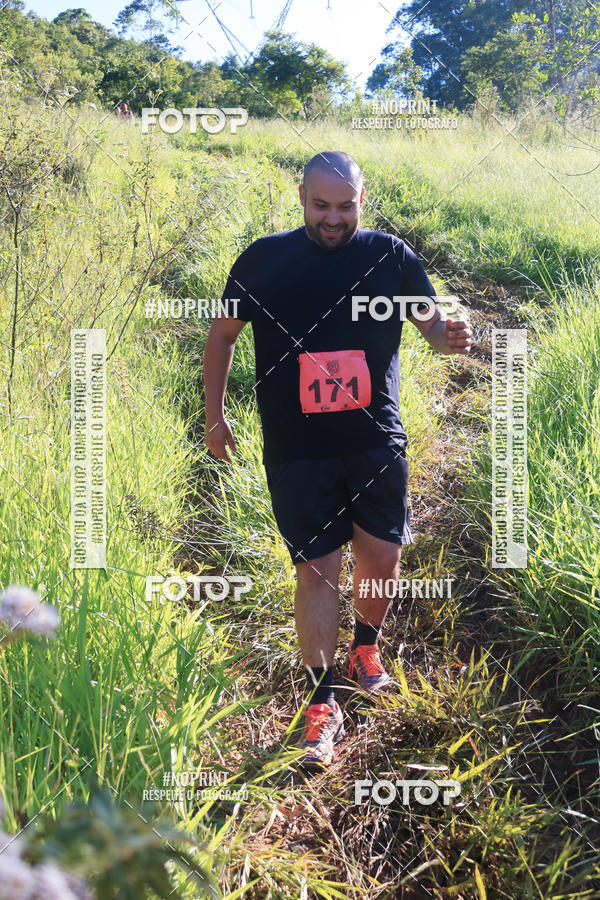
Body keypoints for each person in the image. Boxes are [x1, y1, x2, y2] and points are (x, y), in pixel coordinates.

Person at [203, 150, 472, 769]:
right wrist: (214, 416)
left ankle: (365, 648)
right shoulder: (263, 260)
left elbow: (430, 325)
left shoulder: (391, 257)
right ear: (302, 198)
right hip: (297, 447)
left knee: (380, 555)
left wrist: (448, 337)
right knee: (317, 572)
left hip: (376, 437)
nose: (333, 218)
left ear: (361, 199)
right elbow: (222, 335)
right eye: (321, 205)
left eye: (345, 206)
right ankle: (321, 703)